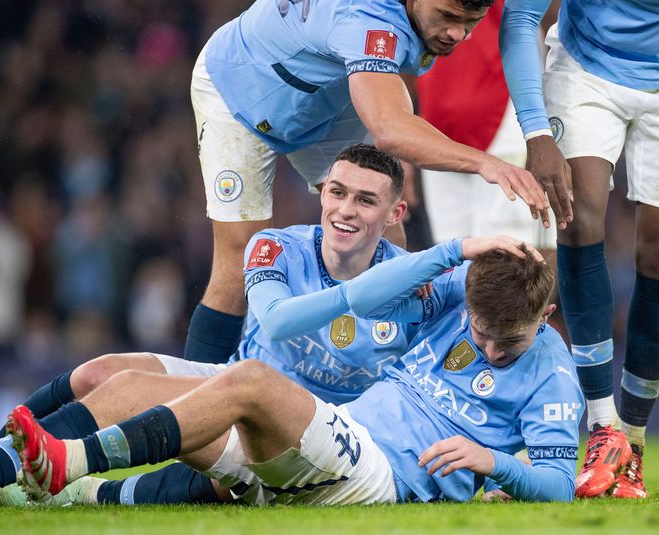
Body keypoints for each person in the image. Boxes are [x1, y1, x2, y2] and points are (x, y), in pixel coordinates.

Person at [0, 144, 423, 510]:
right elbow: (276, 322)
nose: (345, 210)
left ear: (394, 214)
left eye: (365, 200)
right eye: (337, 193)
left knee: (223, 467)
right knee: (106, 374)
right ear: (322, 193)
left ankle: (26, 480)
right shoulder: (276, 246)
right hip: (237, 383)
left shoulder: (422, 291)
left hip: (308, 433)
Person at [0, 237, 581, 511]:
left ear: (547, 315)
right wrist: (457, 249)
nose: (493, 352)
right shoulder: (454, 299)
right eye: (482, 333)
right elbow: (365, 295)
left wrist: (490, 462)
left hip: (378, 474)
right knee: (129, 386)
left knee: (248, 380)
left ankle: (69, 463)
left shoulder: (552, 372)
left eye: (511, 343)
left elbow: (558, 487)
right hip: (331, 438)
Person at [184, 0, 557, 366]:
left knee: (386, 232)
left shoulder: (410, 17)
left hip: (326, 94)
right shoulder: (367, 16)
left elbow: (393, 102)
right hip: (242, 92)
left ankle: (399, 385)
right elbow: (391, 130)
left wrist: (407, 148)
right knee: (237, 262)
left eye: (471, 21)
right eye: (448, 17)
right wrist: (485, 163)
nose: (459, 33)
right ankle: (198, 402)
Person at [501, 0, 659, 499]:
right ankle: (602, 427)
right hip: (586, 69)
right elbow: (521, 17)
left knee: (656, 252)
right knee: (577, 215)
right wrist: (536, 131)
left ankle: (630, 440)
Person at [417, 0, 556, 255]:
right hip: (435, 119)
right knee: (450, 257)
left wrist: (548, 126)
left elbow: (558, 21)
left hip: (509, 114)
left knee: (516, 255)